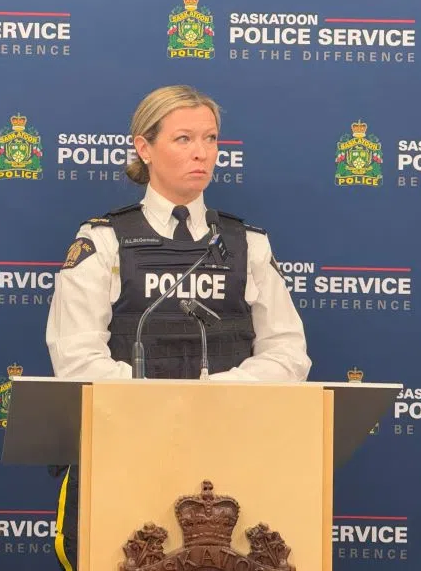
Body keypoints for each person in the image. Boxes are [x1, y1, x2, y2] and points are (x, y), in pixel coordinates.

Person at [45, 84, 310, 570]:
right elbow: (76, 360)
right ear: (144, 148)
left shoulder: (247, 243)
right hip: (128, 451)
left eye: (210, 139)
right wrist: (165, 403)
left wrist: (217, 391)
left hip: (235, 454)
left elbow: (289, 353)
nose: (202, 153)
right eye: (184, 138)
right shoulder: (102, 241)